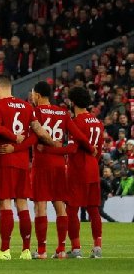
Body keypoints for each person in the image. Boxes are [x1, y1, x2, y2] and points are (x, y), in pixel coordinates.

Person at [0, 74, 38, 260]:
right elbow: (34, 136)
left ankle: (5, 250)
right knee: (22, 205)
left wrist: (12, 142)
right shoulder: (27, 106)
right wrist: (18, 146)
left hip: (4, 161)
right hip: (23, 162)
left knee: (5, 204)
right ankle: (25, 250)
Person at [29, 81, 83, 259]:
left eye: (32, 93)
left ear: (37, 95)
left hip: (42, 164)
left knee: (40, 207)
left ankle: (42, 251)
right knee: (61, 207)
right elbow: (77, 137)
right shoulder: (63, 112)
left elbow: (33, 137)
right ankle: (61, 249)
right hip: (60, 165)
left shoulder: (35, 112)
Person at [64, 86, 107, 258]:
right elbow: (100, 150)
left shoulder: (76, 122)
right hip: (93, 168)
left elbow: (74, 148)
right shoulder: (98, 122)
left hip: (78, 168)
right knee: (94, 209)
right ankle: (97, 248)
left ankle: (76, 249)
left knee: (72, 209)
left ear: (72, 102)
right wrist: (93, 164)